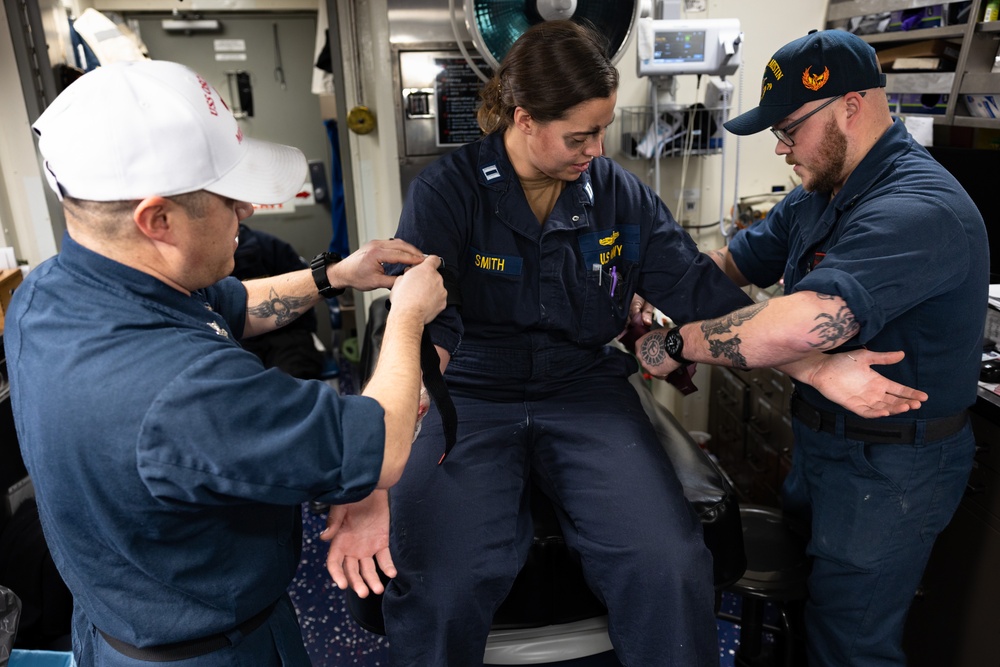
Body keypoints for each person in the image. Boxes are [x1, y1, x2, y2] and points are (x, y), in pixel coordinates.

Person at [321, 21, 929, 666]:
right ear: (524, 119)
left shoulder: (617, 193)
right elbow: (426, 334)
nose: (596, 148)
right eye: (579, 135)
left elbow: (699, 289)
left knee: (668, 561)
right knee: (442, 580)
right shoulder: (449, 191)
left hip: (584, 389)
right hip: (471, 391)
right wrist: (372, 469)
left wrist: (815, 368)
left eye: (602, 130)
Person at [4, 59, 446, 666]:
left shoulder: (51, 291)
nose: (248, 211)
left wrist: (335, 275)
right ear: (157, 219)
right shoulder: (178, 389)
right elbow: (386, 442)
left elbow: (231, 304)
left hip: (119, 615)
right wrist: (407, 315)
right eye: (227, 198)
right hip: (209, 650)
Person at [634, 29, 988, 667]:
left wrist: (673, 342)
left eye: (789, 129)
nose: (780, 147)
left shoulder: (917, 209)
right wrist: (649, 294)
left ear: (850, 106)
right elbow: (725, 266)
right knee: (811, 613)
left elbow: (795, 325)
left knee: (850, 644)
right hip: (823, 446)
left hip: (890, 471)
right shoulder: (819, 196)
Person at [231, 223, 326, 379]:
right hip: (237, 340)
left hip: (287, 333)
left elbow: (306, 299)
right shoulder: (206, 261)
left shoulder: (271, 247)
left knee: (293, 378)